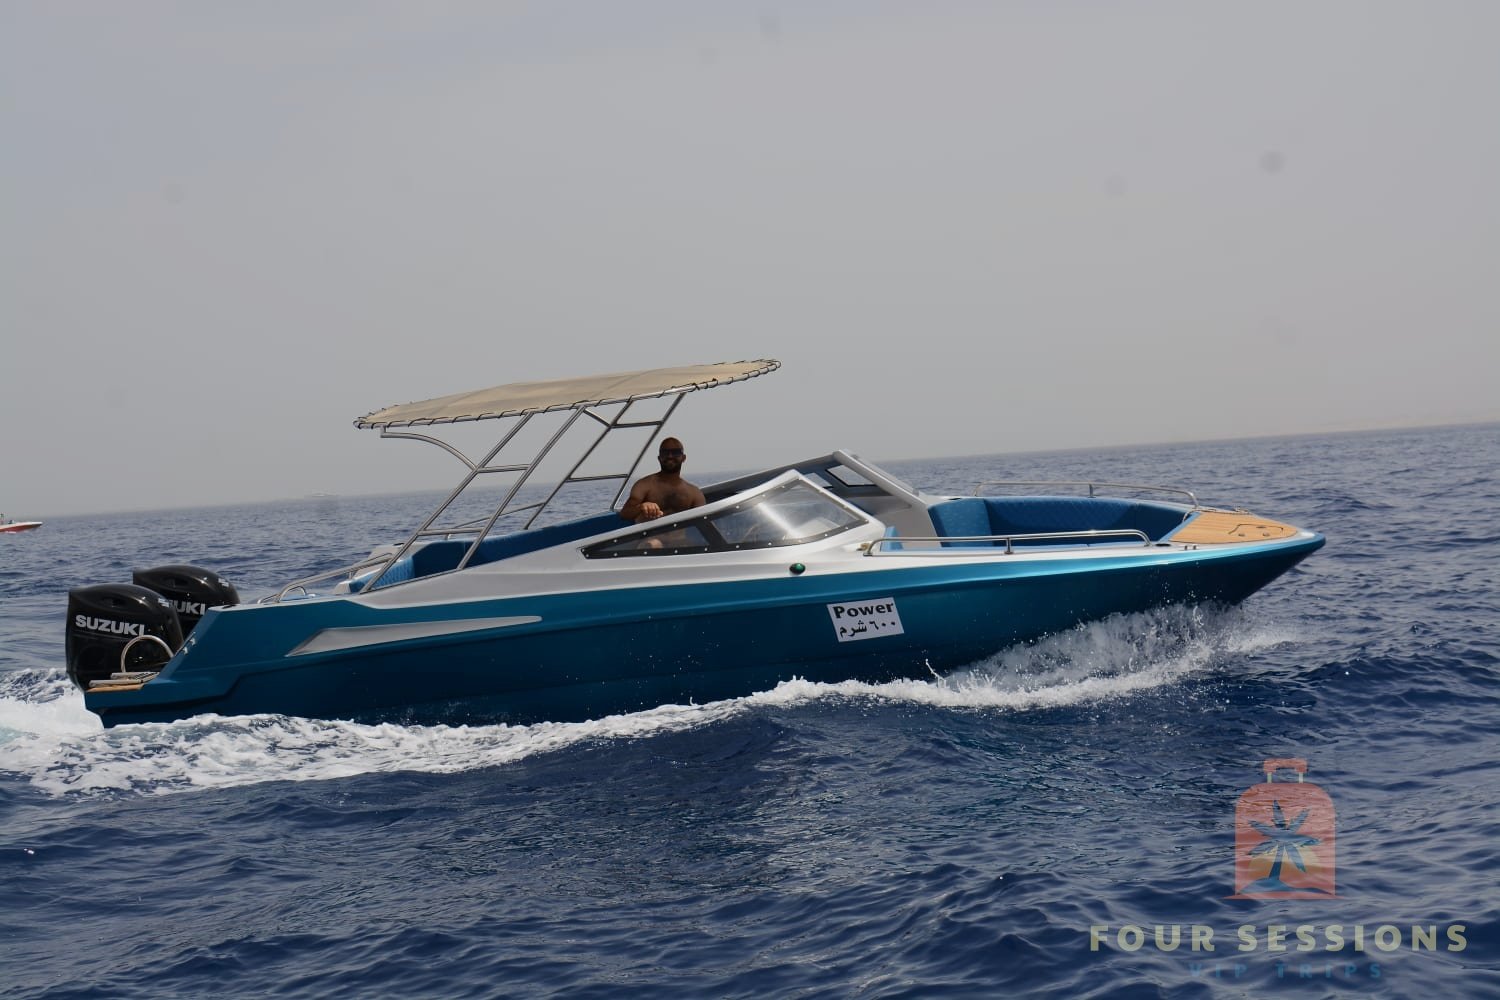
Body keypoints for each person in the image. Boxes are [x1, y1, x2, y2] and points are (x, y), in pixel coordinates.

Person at [620, 437, 706, 523]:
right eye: (665, 453)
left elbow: (703, 522)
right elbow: (625, 513)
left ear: (683, 458)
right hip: (650, 532)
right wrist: (642, 507)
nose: (670, 456)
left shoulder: (695, 494)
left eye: (675, 452)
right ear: (659, 458)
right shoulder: (643, 485)